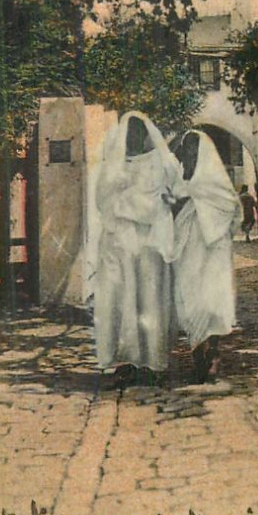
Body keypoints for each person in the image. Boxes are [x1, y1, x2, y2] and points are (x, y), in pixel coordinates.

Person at [94, 111, 185, 387]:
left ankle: (154, 362)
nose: (133, 137)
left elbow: (177, 192)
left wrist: (163, 209)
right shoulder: (114, 165)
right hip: (122, 240)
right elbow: (101, 200)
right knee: (121, 300)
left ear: (146, 134)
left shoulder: (161, 161)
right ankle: (126, 361)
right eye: (129, 132)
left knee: (151, 300)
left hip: (150, 241)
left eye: (138, 131)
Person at [172, 129, 242, 382]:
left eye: (193, 152)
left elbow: (232, 211)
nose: (188, 158)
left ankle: (212, 353)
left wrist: (198, 200)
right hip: (187, 254)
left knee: (212, 303)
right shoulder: (178, 184)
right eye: (186, 152)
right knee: (190, 303)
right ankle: (197, 355)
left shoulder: (217, 184)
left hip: (213, 254)